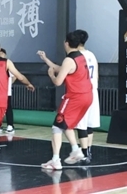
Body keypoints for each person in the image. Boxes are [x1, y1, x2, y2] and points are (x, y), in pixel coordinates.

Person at [38, 32, 93, 170]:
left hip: (75, 97)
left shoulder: (69, 60)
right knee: (66, 125)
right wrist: (46, 59)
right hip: (87, 96)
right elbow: (64, 69)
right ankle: (75, 150)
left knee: (57, 126)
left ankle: (56, 160)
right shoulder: (80, 56)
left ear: (66, 43)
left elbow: (58, 81)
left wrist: (51, 75)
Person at [71, 29, 99, 164]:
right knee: (89, 124)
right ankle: (89, 150)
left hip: (83, 92)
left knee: (81, 124)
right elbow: (97, 75)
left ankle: (84, 152)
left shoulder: (77, 56)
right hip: (93, 91)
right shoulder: (91, 54)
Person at [0, 48, 16, 134]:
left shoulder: (8, 63)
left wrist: (9, 84)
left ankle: (10, 125)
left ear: (5, 55)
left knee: (8, 108)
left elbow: (15, 76)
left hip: (6, 92)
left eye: (2, 53)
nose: (1, 55)